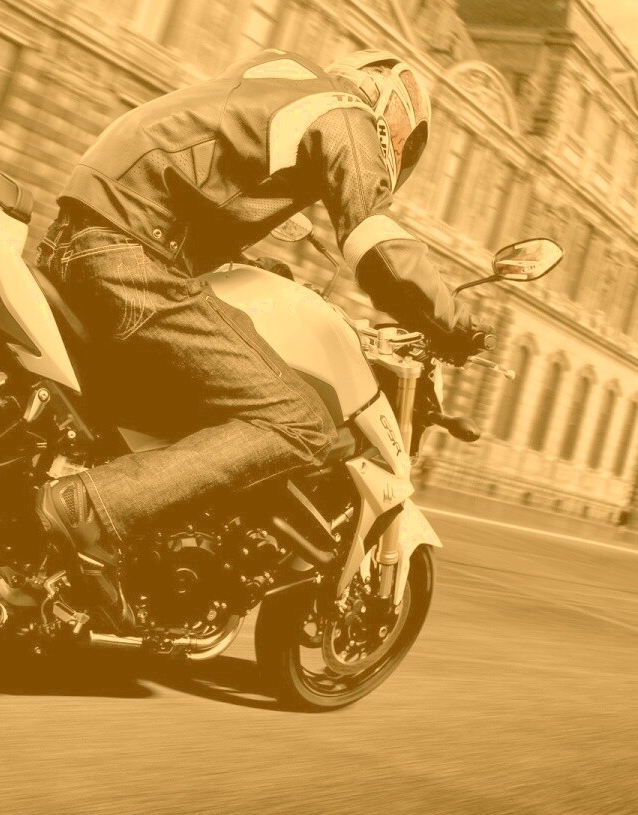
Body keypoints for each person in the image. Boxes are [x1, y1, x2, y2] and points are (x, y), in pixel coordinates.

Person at [33, 48, 492, 578]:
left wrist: (263, 265)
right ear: (392, 105)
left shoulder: (274, 83)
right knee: (299, 423)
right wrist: (454, 323)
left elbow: (205, 183)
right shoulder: (345, 113)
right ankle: (90, 507)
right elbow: (378, 246)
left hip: (79, 241)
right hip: (132, 255)